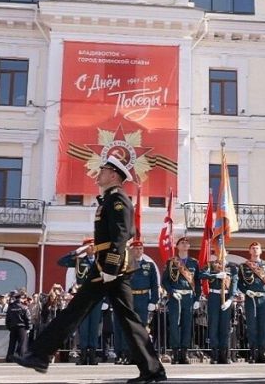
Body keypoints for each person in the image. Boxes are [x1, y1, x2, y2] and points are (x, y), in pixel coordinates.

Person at [14, 155, 165, 384]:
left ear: (114, 175)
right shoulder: (108, 199)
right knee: (117, 317)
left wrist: (111, 266)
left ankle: (39, 355)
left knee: (85, 312)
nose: (98, 174)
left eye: (103, 170)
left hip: (111, 267)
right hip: (104, 265)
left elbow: (123, 233)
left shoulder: (118, 199)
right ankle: (152, 370)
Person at [57, 237, 103, 365]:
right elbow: (61, 262)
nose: (92, 248)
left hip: (96, 296)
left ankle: (92, 355)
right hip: (82, 296)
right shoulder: (78, 261)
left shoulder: (101, 261)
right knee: (83, 326)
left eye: (94, 245)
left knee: (94, 326)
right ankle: (83, 355)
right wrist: (78, 251)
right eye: (89, 245)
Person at [161, 236, 201, 364]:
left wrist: (197, 298)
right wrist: (171, 292)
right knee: (174, 324)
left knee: (187, 325)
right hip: (175, 297)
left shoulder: (194, 263)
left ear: (189, 247)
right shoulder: (171, 262)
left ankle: (184, 353)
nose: (184, 245)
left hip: (188, 297)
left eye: (186, 243)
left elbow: (198, 281)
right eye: (182, 243)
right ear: (177, 246)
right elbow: (165, 280)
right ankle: (175, 352)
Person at [237, 241, 265, 363]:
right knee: (252, 326)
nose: (255, 250)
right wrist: (245, 291)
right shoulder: (244, 266)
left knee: (263, 326)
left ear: (261, 251)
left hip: (264, 298)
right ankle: (253, 353)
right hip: (251, 298)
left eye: (257, 248)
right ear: (249, 251)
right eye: (253, 248)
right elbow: (239, 283)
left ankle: (262, 353)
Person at [200, 254, 238, 364]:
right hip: (214, 297)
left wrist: (230, 299)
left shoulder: (232, 267)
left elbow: (234, 283)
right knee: (213, 326)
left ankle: (224, 355)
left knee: (225, 327)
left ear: (226, 252)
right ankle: (214, 355)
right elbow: (201, 275)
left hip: (226, 297)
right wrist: (215, 276)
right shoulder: (210, 265)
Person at [5, 290, 31, 362]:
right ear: (20, 298)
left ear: (15, 298)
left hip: (13, 328)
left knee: (12, 344)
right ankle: (21, 358)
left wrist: (9, 327)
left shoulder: (10, 307)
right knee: (22, 343)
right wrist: (28, 328)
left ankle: (9, 358)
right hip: (22, 328)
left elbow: (7, 319)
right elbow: (28, 318)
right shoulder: (24, 307)